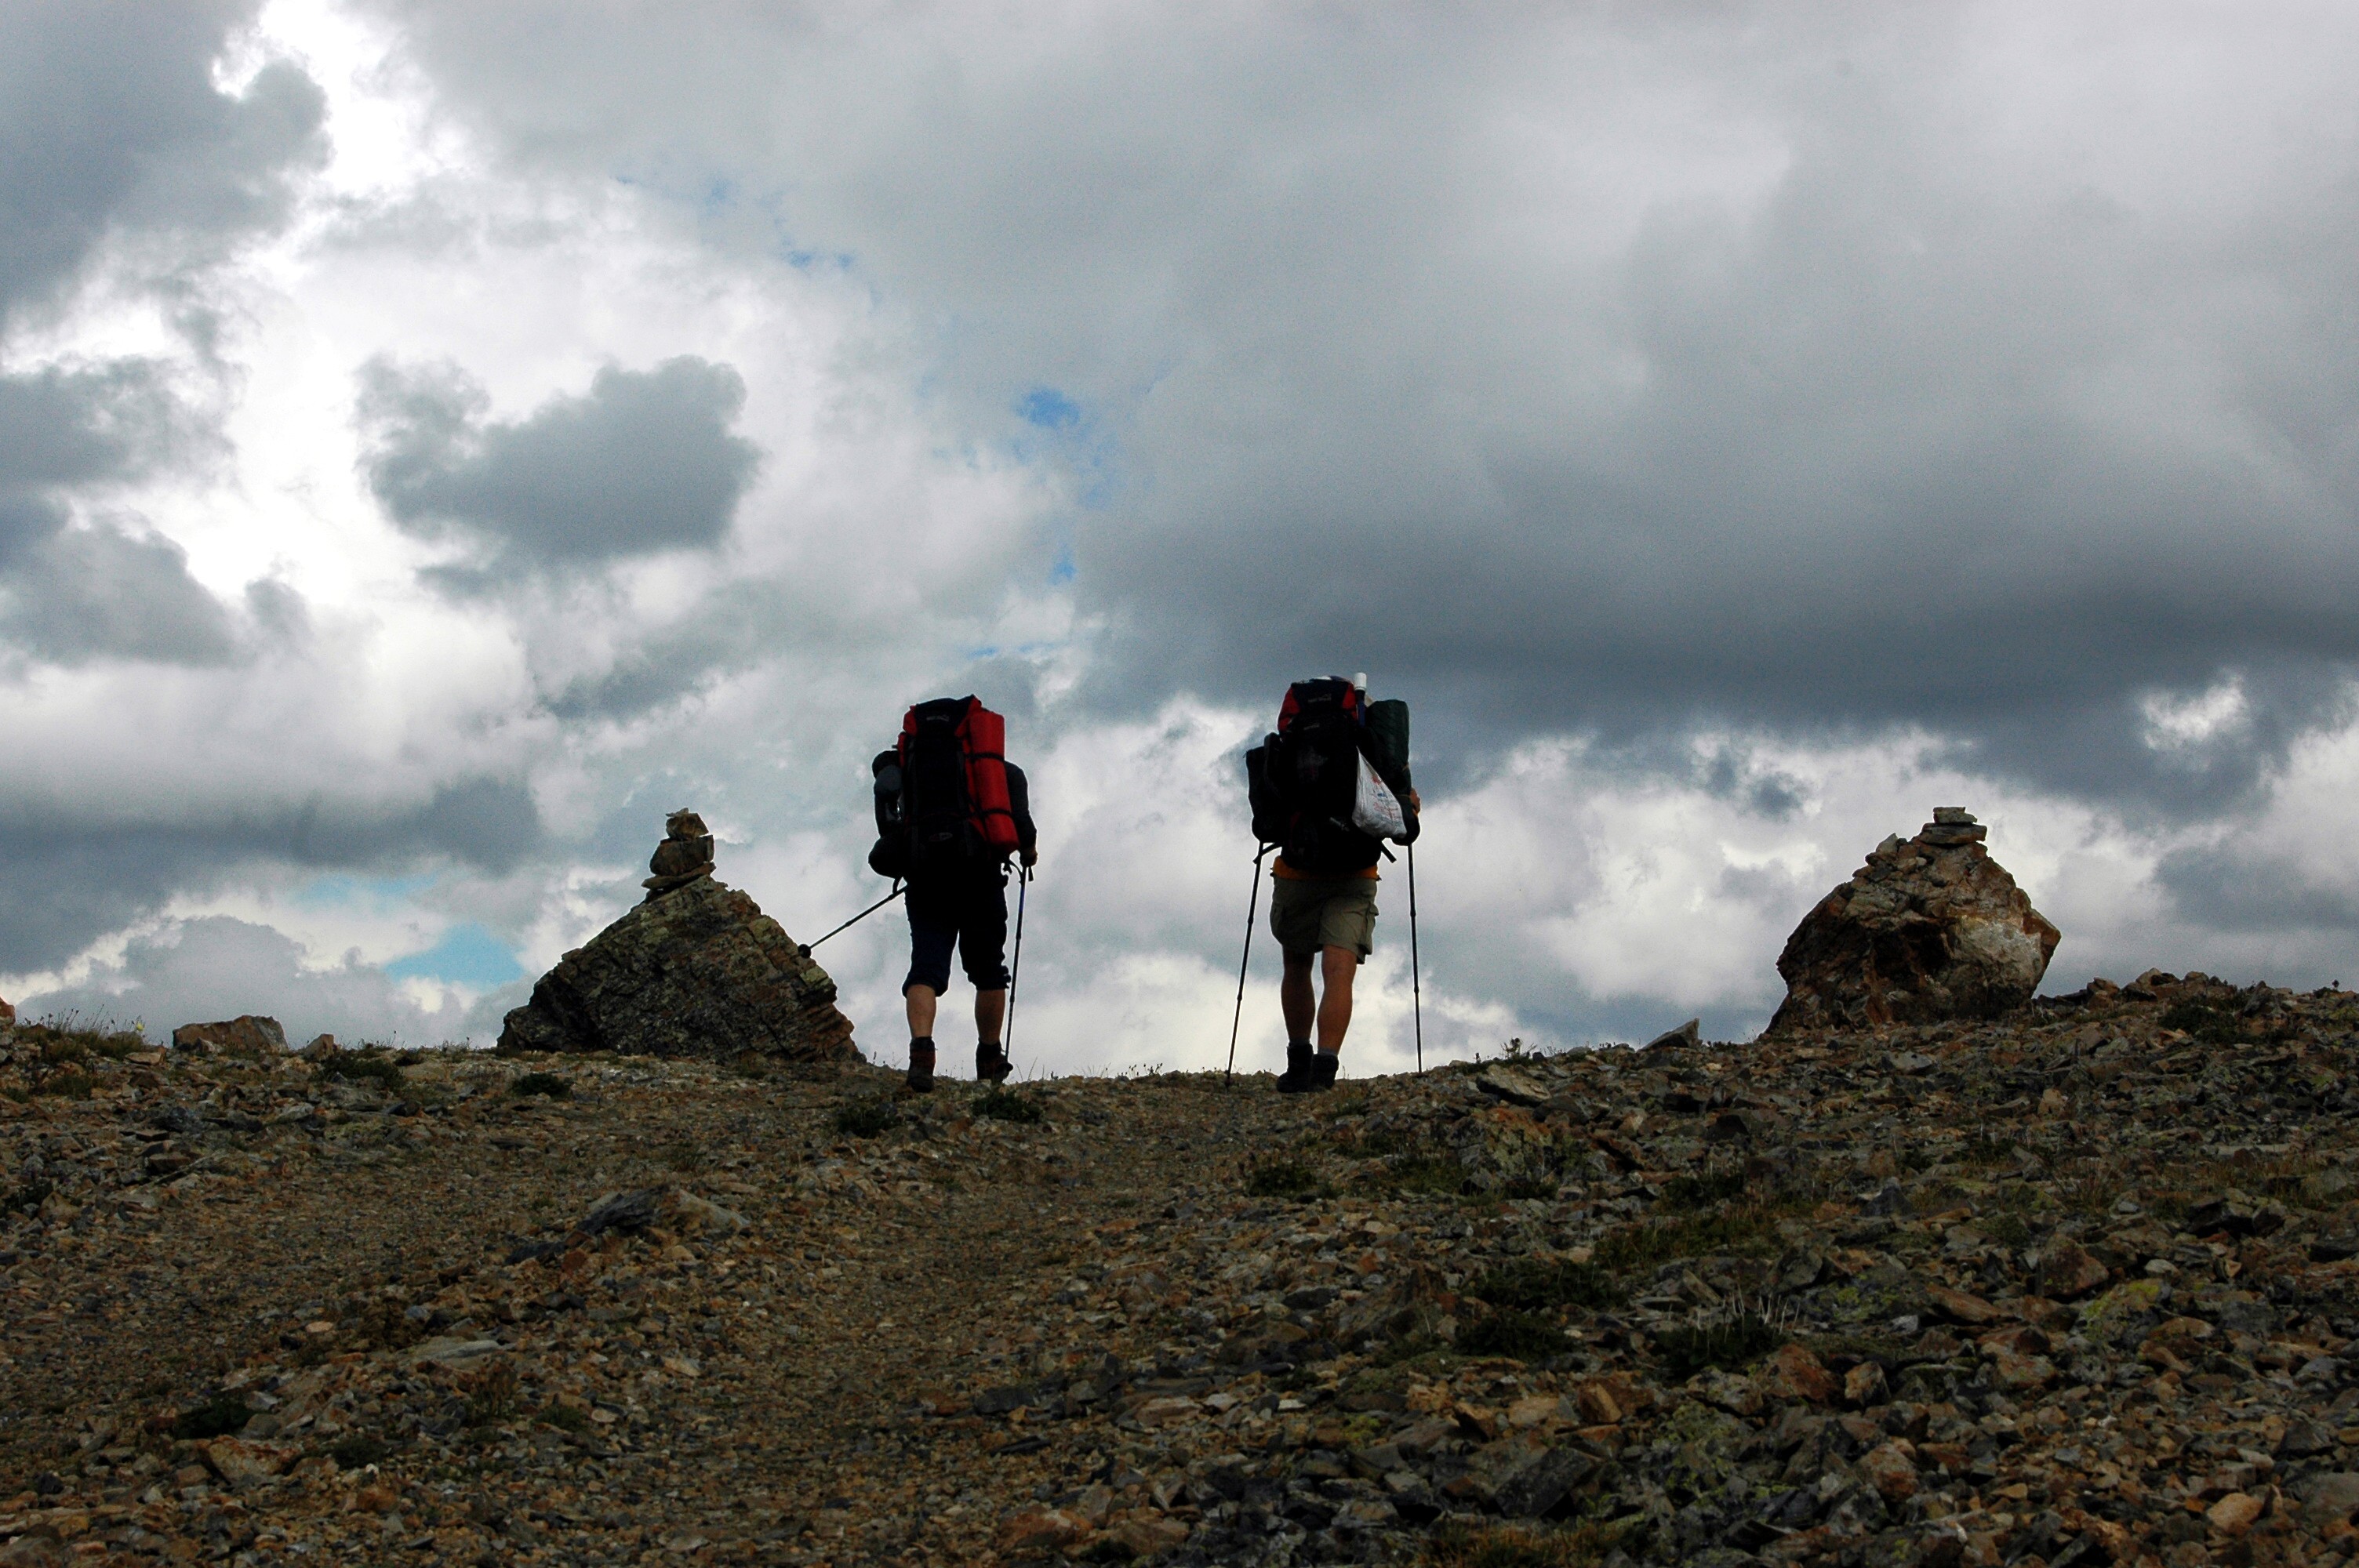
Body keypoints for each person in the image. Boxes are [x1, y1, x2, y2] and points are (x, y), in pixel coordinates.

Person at [1253, 676, 1419, 1094]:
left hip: (1298, 868)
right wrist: (1410, 805)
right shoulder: (1372, 746)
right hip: (1354, 873)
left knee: (1297, 966)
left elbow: (1267, 809)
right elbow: (1403, 820)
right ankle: (1325, 1069)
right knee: (1338, 973)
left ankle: (1297, 1064)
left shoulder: (1291, 744)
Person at [872, 696, 1038, 1093]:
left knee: (926, 968)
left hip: (926, 878)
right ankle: (990, 1059)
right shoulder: (1001, 772)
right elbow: (1023, 830)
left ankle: (921, 1056)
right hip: (980, 877)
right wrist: (1028, 854)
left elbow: (888, 821)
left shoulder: (905, 768)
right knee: (988, 970)